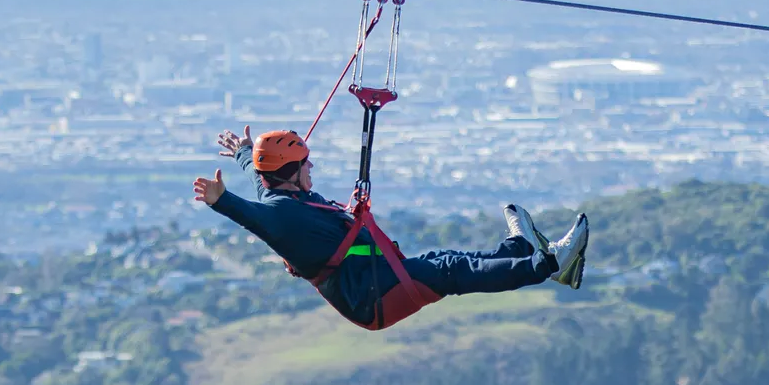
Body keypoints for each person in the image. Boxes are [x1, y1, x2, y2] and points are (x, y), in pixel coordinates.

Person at [192, 126, 589, 328]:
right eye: (305, 163)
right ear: (291, 173)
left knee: (444, 260)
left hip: (373, 279)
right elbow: (252, 216)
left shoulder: (278, 193)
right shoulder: (280, 216)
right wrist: (220, 201)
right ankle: (548, 266)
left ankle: (519, 250)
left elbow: (258, 178)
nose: (311, 167)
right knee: (449, 271)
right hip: (370, 297)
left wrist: (246, 152)